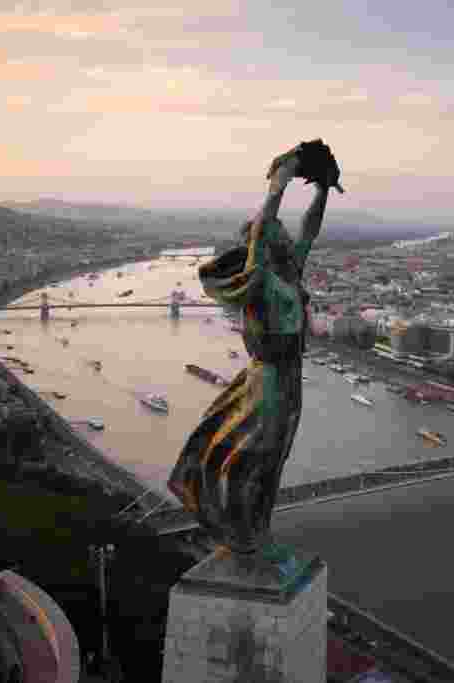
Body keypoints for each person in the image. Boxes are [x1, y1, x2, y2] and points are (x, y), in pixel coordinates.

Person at [168, 140, 341, 555]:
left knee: (274, 459)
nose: (283, 233)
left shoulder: (288, 272)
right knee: (255, 456)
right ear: (258, 246)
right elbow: (264, 228)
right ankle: (240, 530)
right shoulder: (257, 279)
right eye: (273, 231)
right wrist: (277, 187)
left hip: (290, 374)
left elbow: (310, 231)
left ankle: (255, 528)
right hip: (269, 375)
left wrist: (322, 189)